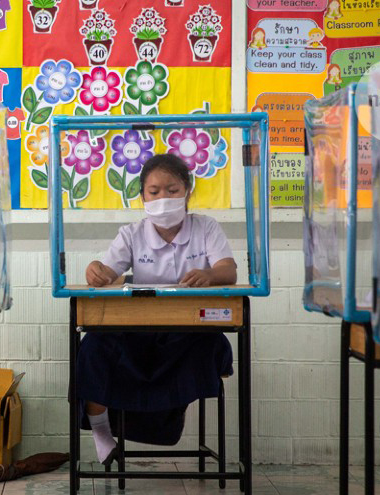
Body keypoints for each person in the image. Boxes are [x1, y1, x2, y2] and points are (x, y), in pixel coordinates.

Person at [80, 153, 237, 464]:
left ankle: (170, 416)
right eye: (154, 192)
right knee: (93, 347)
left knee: (212, 344)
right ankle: (101, 430)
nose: (163, 198)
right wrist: (96, 270)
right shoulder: (132, 233)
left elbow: (229, 270)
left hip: (186, 333)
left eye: (172, 190)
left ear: (187, 191)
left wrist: (209, 274)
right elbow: (107, 272)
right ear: (142, 197)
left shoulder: (206, 227)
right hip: (136, 331)